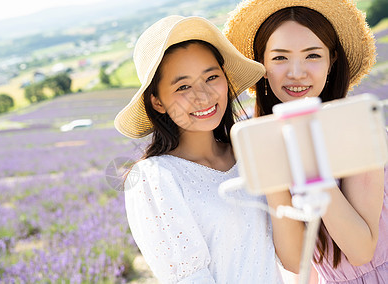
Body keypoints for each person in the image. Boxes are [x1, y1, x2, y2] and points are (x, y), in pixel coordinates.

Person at [114, 15, 304, 283]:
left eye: (211, 77)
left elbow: (294, 260)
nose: (203, 95)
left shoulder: (252, 154)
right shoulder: (154, 178)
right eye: (183, 86)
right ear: (157, 102)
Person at [224, 0, 387, 283]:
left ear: (331, 60)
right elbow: (296, 260)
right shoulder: (265, 140)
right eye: (280, 58)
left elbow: (361, 251)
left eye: (312, 55)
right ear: (262, 65)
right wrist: (274, 171)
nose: (296, 72)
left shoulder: (358, 129)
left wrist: (308, 161)